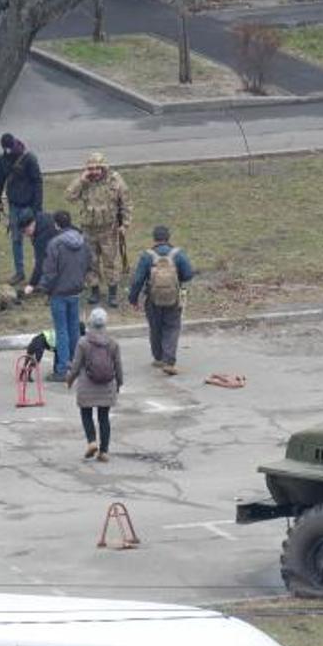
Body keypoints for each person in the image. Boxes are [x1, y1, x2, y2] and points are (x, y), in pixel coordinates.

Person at [65, 151, 131, 308]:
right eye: (91, 168)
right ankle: (94, 290)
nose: (94, 172)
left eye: (97, 168)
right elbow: (69, 196)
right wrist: (81, 181)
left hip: (109, 230)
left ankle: (112, 293)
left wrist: (125, 225)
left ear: (103, 168)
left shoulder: (114, 180)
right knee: (91, 262)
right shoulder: (83, 181)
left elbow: (126, 203)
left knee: (110, 262)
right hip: (89, 230)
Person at [31, 210, 91, 382]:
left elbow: (49, 270)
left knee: (61, 331)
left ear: (56, 225)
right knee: (74, 329)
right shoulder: (82, 241)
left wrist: (43, 287)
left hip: (59, 292)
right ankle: (76, 364)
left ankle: (63, 369)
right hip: (76, 290)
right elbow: (89, 261)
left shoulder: (55, 244)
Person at [128, 224, 195, 376]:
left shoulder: (147, 256)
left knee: (155, 327)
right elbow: (189, 274)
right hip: (173, 298)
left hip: (153, 298)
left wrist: (133, 299)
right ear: (168, 237)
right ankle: (169, 361)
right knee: (172, 327)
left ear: (154, 238)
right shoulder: (178, 254)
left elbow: (138, 280)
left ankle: (158, 358)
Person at [66, 307, 123, 462]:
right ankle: (104, 451)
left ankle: (91, 441)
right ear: (105, 323)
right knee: (104, 417)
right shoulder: (112, 343)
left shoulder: (83, 342)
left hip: (87, 386)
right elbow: (118, 366)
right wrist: (119, 383)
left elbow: (76, 366)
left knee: (86, 414)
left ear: (90, 322)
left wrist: (69, 380)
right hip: (107, 386)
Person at [0, 133, 44, 285]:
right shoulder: (2, 159)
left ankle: (40, 273)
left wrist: (37, 208)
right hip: (14, 205)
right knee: (16, 240)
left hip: (29, 205)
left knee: (37, 240)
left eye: (10, 148)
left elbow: (37, 183)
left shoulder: (29, 158)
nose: (9, 151)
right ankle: (19, 272)